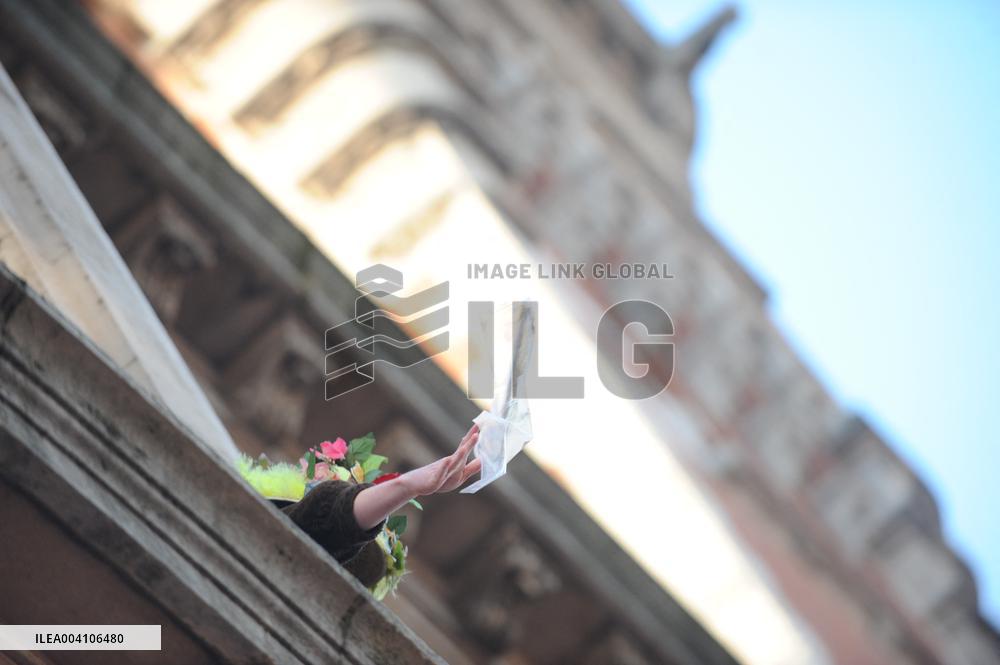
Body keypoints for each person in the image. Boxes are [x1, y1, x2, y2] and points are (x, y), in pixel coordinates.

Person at [281, 424, 480, 587]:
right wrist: (406, 486)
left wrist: (408, 486)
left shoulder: (369, 565)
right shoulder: (318, 513)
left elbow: (333, 519)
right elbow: (330, 514)